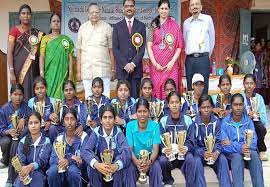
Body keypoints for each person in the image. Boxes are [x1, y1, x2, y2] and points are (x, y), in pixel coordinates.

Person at [81, 104, 131, 187]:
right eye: (105, 117)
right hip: (100, 168)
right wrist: (97, 164)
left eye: (110, 117)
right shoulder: (96, 132)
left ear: (114, 119)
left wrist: (116, 165)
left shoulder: (118, 133)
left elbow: (126, 152)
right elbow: (86, 151)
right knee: (91, 166)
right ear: (100, 120)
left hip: (114, 169)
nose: (107, 120)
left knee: (122, 163)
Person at [221, 93, 264, 187]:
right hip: (232, 154)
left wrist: (234, 144)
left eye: (240, 104)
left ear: (243, 106)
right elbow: (224, 145)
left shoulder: (248, 121)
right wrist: (240, 147)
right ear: (231, 106)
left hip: (247, 151)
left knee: (255, 156)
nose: (238, 107)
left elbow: (253, 141)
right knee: (236, 157)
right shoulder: (225, 122)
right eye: (235, 105)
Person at [191, 95, 231, 187]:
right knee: (196, 162)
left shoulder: (217, 122)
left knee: (223, 159)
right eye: (203, 107)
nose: (206, 110)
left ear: (212, 108)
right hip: (199, 153)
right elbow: (193, 144)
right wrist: (202, 152)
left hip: (213, 153)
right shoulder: (194, 122)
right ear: (199, 108)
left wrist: (216, 152)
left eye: (208, 107)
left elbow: (219, 141)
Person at [77, 2, 115, 99]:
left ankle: (106, 114)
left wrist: (113, 69)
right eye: (92, 12)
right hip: (87, 70)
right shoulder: (82, 28)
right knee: (89, 98)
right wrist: (78, 72)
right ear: (88, 14)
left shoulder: (107, 27)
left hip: (104, 69)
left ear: (100, 13)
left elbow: (111, 50)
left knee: (106, 96)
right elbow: (79, 51)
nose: (94, 14)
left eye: (96, 12)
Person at [147, 0, 183, 100]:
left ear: (169, 10)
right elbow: (149, 45)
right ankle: (158, 112)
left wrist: (172, 62)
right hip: (157, 67)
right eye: (162, 8)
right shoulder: (153, 25)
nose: (164, 11)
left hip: (171, 66)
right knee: (157, 88)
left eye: (166, 9)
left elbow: (179, 46)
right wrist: (155, 64)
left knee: (172, 89)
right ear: (158, 10)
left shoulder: (174, 25)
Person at [7, 4, 44, 100]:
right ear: (19, 16)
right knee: (19, 94)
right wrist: (11, 72)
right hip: (18, 70)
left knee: (33, 92)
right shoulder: (13, 31)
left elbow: (40, 55)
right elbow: (9, 53)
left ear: (31, 16)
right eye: (23, 13)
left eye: (28, 13)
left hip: (33, 70)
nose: (26, 16)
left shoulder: (37, 34)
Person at [159, 91, 195, 186]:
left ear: (180, 103)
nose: (174, 105)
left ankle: (190, 184)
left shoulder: (187, 120)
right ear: (168, 105)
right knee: (162, 160)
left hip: (183, 154)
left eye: (176, 102)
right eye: (172, 102)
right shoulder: (163, 121)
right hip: (169, 155)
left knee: (190, 158)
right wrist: (164, 149)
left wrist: (186, 148)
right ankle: (168, 182)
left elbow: (191, 140)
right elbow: (160, 140)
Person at [47, 108, 89, 187]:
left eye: (72, 119)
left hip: (78, 174)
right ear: (63, 122)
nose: (69, 122)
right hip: (61, 173)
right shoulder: (59, 137)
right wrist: (69, 159)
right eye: (66, 119)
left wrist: (69, 161)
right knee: (52, 171)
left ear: (76, 121)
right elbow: (52, 159)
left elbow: (85, 159)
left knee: (72, 170)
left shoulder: (83, 136)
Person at [113, 0, 146, 98]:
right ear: (123, 8)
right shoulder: (117, 27)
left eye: (131, 6)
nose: (129, 8)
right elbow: (115, 48)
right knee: (122, 99)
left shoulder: (141, 26)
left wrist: (133, 64)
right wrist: (125, 65)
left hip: (136, 70)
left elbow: (142, 48)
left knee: (135, 99)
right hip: (122, 70)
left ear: (134, 8)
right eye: (127, 6)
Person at [126, 98, 163, 187]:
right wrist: (137, 163)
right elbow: (129, 149)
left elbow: (155, 149)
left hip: (150, 160)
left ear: (149, 112)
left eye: (145, 111)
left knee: (156, 167)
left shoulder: (155, 126)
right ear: (136, 113)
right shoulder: (130, 126)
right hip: (134, 160)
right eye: (139, 111)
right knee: (129, 169)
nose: (142, 114)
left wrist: (149, 162)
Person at [0, 84, 31, 186]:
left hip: (21, 138)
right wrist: (8, 132)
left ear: (23, 96)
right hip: (8, 136)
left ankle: (11, 177)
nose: (18, 97)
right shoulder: (4, 109)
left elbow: (33, 120)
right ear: (10, 95)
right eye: (15, 94)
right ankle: (6, 160)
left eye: (20, 94)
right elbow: (1, 128)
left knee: (16, 142)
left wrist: (25, 120)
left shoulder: (26, 107)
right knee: (6, 142)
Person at [39, 13, 74, 99]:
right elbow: (42, 56)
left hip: (62, 75)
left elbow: (70, 58)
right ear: (50, 24)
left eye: (58, 21)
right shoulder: (45, 38)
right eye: (54, 21)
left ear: (61, 23)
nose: (56, 23)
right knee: (48, 95)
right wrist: (41, 73)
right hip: (49, 74)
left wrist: (70, 75)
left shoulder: (66, 40)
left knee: (62, 95)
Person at [183, 0, 215, 95]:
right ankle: (191, 109)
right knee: (190, 87)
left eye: (197, 4)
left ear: (201, 7)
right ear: (189, 9)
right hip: (190, 60)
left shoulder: (208, 19)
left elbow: (212, 40)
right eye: (192, 5)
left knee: (203, 87)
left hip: (203, 59)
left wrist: (206, 56)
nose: (194, 7)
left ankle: (204, 108)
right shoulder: (186, 23)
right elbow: (185, 40)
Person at [13, 112, 52, 187]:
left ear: (41, 124)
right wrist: (21, 171)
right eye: (30, 123)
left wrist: (31, 166)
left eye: (36, 122)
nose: (33, 126)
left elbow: (43, 160)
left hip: (40, 173)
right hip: (25, 172)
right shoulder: (23, 141)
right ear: (27, 125)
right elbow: (20, 160)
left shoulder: (46, 141)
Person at [241, 74, 268, 161]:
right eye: (247, 83)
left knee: (260, 126)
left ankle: (262, 150)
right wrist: (246, 115)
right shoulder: (240, 97)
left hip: (256, 124)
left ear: (255, 85)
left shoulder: (259, 98)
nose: (249, 86)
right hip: (243, 123)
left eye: (251, 83)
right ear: (243, 84)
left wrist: (257, 115)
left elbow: (264, 119)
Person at [27, 77, 57, 142]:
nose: (40, 91)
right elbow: (29, 117)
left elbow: (56, 119)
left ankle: (54, 148)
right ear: (34, 90)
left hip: (49, 128)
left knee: (53, 128)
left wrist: (50, 121)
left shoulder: (53, 102)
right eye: (37, 88)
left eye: (42, 88)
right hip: (36, 127)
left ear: (46, 88)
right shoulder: (31, 102)